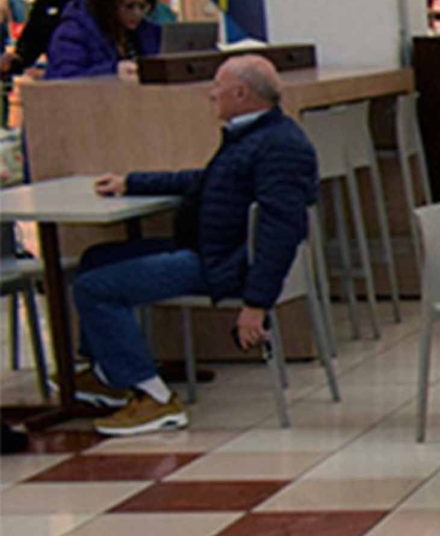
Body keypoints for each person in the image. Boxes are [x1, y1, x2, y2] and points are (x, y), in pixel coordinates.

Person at [73, 55, 317, 437]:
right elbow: (207, 181)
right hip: (214, 251)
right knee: (95, 259)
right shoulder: (253, 135)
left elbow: (280, 230)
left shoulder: (278, 146)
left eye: (217, 86)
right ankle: (108, 373)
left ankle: (153, 397)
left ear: (241, 93)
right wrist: (131, 182)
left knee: (95, 288)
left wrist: (256, 303)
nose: (210, 94)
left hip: (224, 265)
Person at [41, 0, 159, 80]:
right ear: (109, 5)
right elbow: (65, 78)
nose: (137, 13)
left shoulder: (145, 34)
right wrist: (113, 72)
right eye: (129, 6)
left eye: (142, 7)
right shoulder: (73, 32)